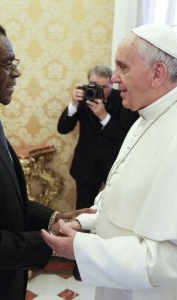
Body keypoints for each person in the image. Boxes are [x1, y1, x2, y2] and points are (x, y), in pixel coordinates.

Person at [0, 14, 94, 300]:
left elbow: (2, 201)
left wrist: (55, 218)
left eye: (15, 63)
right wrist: (53, 241)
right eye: (7, 63)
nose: (16, 73)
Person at [42, 23, 177, 300]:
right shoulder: (146, 115)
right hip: (117, 280)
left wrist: (79, 249)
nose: (115, 80)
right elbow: (122, 190)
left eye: (123, 67)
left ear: (157, 73)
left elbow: (169, 259)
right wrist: (85, 222)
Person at [57, 64, 138, 280]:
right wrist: (74, 104)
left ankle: (108, 260)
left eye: (106, 86)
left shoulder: (125, 98)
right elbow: (63, 128)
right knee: (82, 213)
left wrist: (103, 115)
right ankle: (79, 264)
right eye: (96, 85)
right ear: (88, 83)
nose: (101, 90)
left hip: (115, 167)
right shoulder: (84, 98)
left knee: (113, 215)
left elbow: (125, 135)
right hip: (86, 166)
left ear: (112, 83)